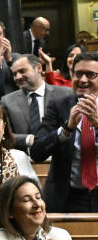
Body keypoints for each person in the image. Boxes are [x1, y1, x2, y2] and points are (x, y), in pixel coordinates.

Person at [31, 51, 98, 212]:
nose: (83, 80)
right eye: (78, 74)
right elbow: (37, 151)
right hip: (67, 198)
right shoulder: (59, 105)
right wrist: (66, 128)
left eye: (90, 75)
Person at [0, 53, 73, 153]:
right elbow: (3, 134)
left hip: (60, 158)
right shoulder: (7, 101)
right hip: (25, 160)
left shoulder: (65, 94)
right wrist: (29, 139)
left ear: (38, 68)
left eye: (22, 71)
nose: (18, 77)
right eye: (14, 74)